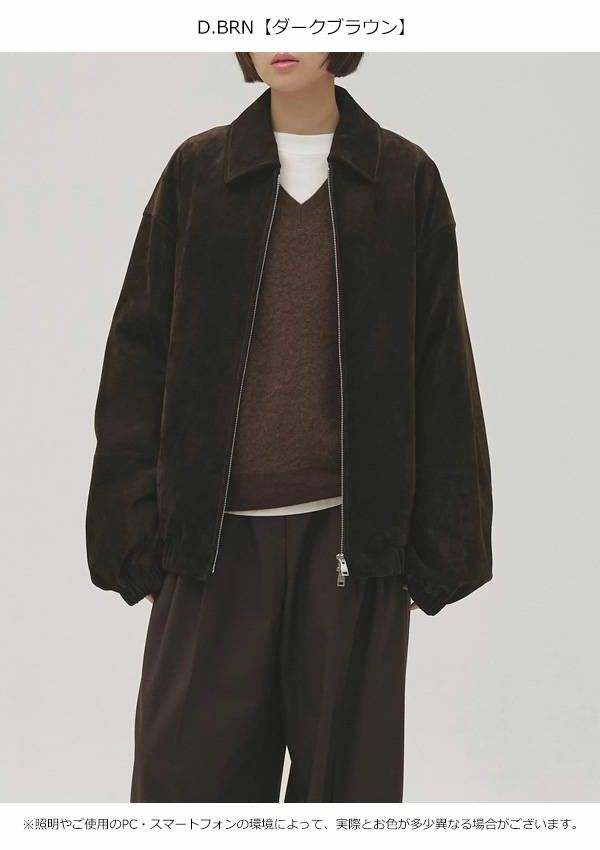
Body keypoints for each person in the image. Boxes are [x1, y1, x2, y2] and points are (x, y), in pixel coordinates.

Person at [85, 52, 493, 803]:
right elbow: (136, 360)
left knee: (345, 799)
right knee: (183, 799)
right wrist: (133, 539)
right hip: (209, 549)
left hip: (350, 545)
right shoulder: (198, 173)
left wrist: (439, 548)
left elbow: (441, 368)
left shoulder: (403, 179)